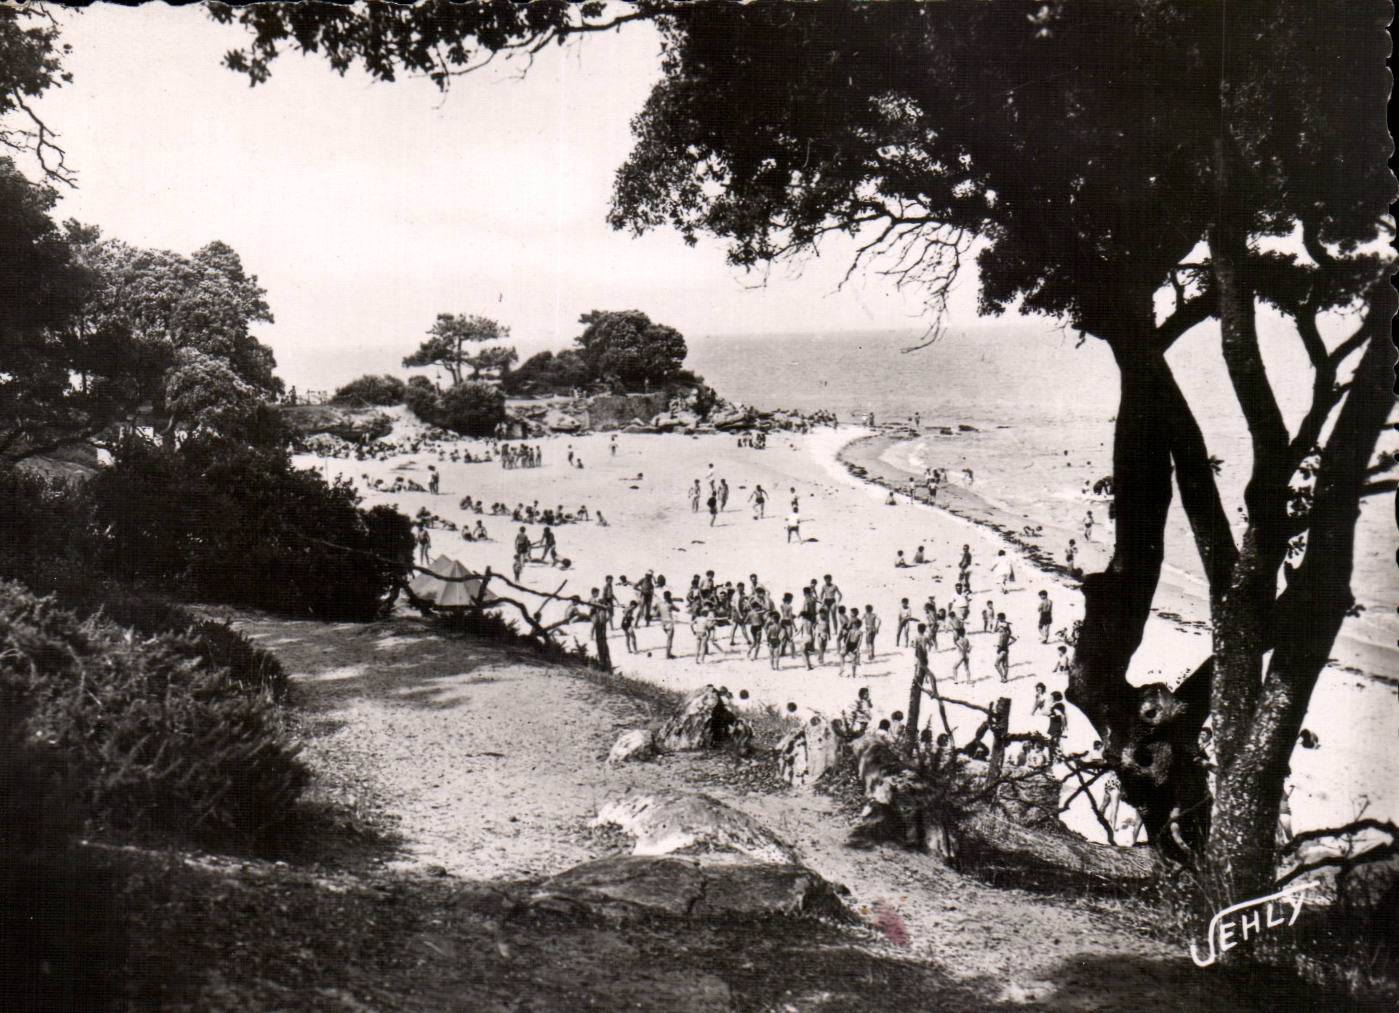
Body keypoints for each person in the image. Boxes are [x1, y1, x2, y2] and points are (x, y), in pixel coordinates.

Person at [657, 590, 677, 659]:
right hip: (669, 622)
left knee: (668, 639)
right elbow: (677, 609)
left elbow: (657, 612)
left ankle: (668, 654)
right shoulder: (670, 604)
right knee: (669, 639)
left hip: (663, 623)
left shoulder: (660, 604)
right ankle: (668, 654)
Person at [994, 617, 1015, 683]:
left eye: (1001, 629)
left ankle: (1002, 677)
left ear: (1003, 629)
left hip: (1002, 650)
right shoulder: (1007, 634)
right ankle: (1005, 677)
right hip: (1006, 650)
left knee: (996, 664)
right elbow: (1014, 639)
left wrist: (998, 648)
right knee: (1005, 665)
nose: (999, 630)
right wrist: (1008, 644)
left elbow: (1001, 643)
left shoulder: (1002, 635)